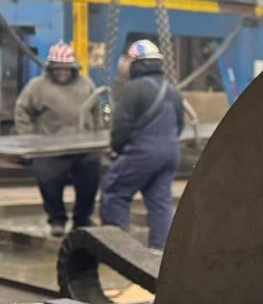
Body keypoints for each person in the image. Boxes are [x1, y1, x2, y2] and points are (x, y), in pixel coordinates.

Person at [101, 40, 183, 250]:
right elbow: (180, 125)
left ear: (136, 64)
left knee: (114, 190)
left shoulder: (133, 89)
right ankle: (160, 254)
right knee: (160, 203)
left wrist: (117, 150)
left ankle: (118, 250)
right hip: (171, 154)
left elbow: (121, 128)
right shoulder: (172, 91)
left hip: (144, 152)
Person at [15, 43, 103, 237]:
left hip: (83, 147)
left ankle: (82, 219)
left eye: (66, 69)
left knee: (89, 182)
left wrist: (97, 136)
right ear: (51, 69)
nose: (62, 72)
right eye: (58, 69)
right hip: (50, 149)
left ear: (73, 69)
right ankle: (57, 219)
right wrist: (29, 138)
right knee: (49, 183)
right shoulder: (37, 87)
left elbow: (96, 111)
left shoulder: (86, 85)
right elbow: (22, 111)